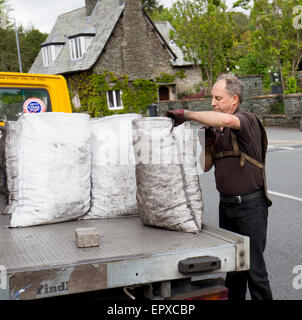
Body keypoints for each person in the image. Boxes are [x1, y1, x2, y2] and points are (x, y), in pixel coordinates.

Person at [166, 74, 273, 300]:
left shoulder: (246, 120)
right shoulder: (218, 131)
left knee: (254, 271)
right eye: (212, 99)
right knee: (234, 271)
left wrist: (187, 114)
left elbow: (227, 121)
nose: (213, 103)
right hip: (227, 207)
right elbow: (206, 167)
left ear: (234, 99)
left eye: (218, 98)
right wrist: (206, 145)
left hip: (250, 207)